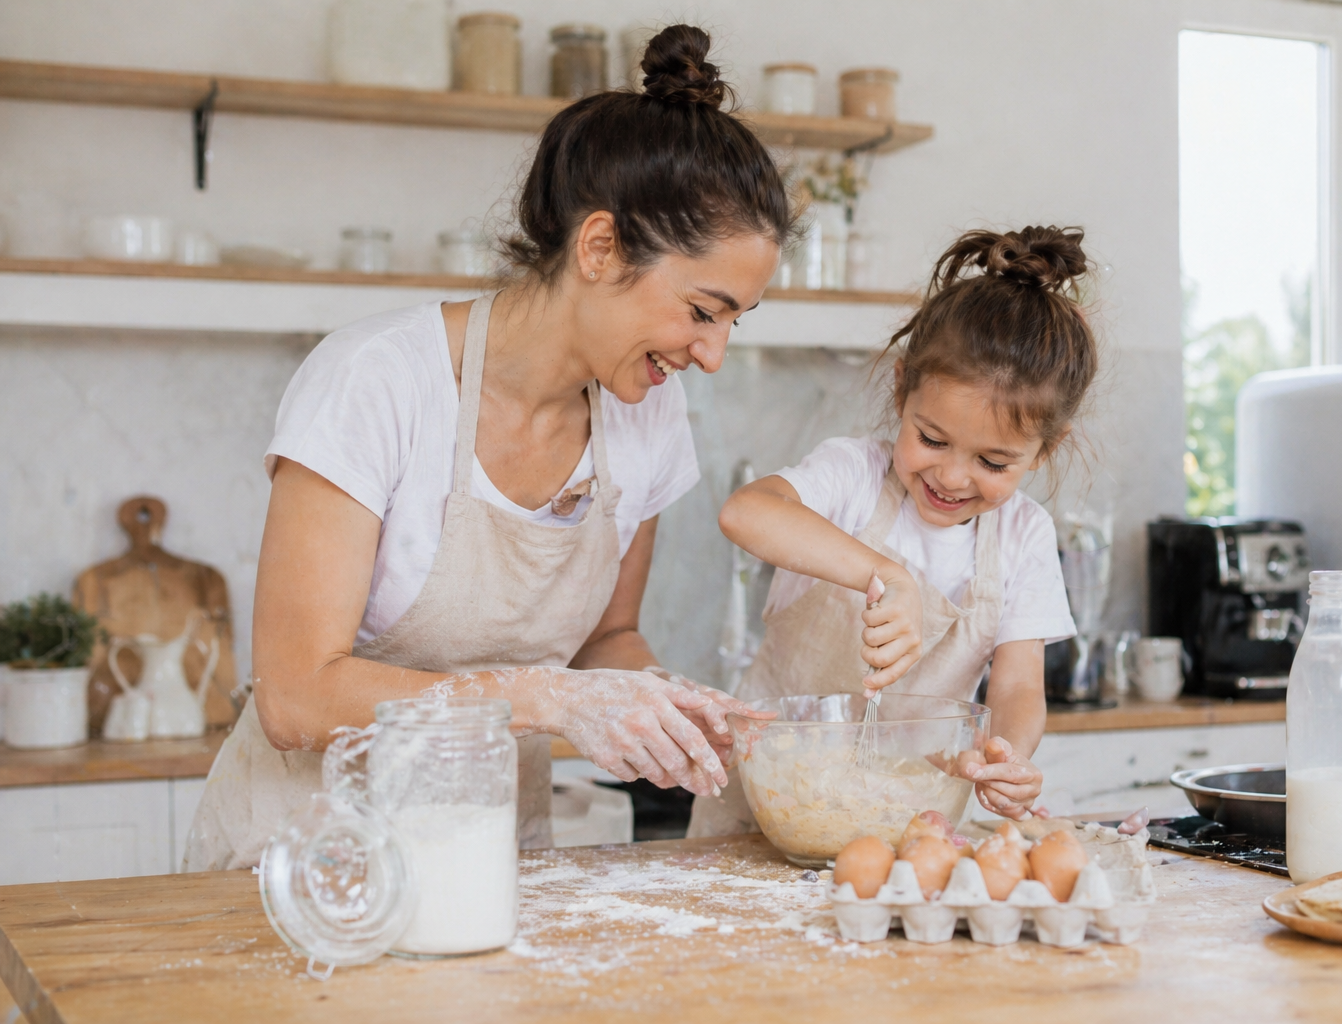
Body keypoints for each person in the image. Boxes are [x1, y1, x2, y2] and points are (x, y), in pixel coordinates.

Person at [185, 25, 790, 870]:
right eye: (702, 310)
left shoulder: (647, 412)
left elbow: (606, 640)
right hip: (303, 869)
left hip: (486, 864)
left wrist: (661, 704)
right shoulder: (378, 380)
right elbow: (295, 695)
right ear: (600, 247)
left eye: (735, 320)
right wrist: (552, 699)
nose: (713, 352)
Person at [689, 227, 1098, 836]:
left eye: (993, 462)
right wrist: (887, 575)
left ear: (1044, 451)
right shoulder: (854, 476)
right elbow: (746, 512)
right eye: (931, 439)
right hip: (762, 816)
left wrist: (1004, 756)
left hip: (908, 823)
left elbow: (1017, 684)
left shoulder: (1022, 535)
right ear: (902, 388)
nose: (953, 476)